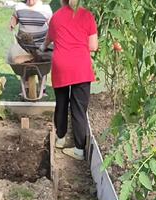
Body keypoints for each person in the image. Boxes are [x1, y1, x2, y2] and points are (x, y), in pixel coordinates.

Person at [40, 0, 98, 160]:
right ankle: (79, 150)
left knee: (62, 102)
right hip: (81, 66)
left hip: (61, 65)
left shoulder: (56, 17)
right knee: (79, 108)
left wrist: (42, 48)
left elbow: (47, 40)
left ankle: (60, 138)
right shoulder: (87, 15)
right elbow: (93, 46)